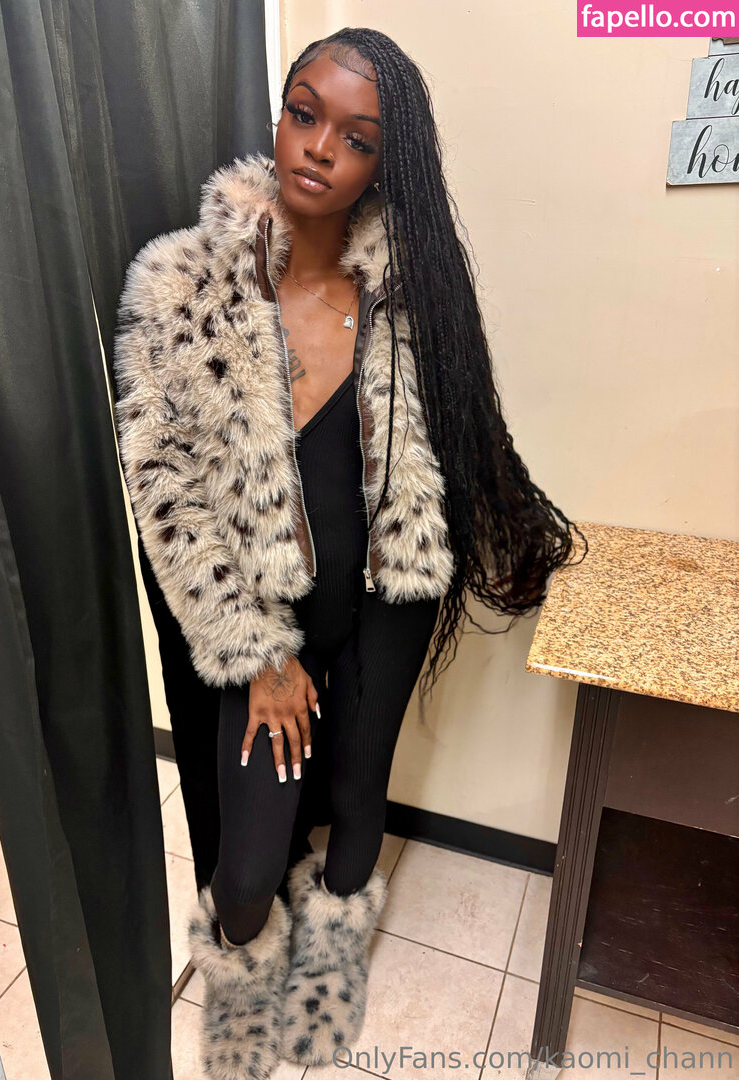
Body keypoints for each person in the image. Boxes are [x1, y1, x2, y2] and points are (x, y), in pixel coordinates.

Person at [112, 26, 585, 1080]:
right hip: (263, 628)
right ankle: (245, 1010)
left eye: (358, 138)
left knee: (360, 802)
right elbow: (165, 499)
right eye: (303, 112)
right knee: (246, 873)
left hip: (386, 606)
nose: (320, 148)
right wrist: (263, 658)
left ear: (385, 162)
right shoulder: (182, 289)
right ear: (279, 114)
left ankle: (326, 987)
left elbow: (460, 446)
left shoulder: (412, 298)